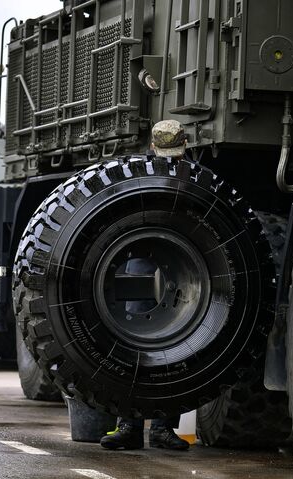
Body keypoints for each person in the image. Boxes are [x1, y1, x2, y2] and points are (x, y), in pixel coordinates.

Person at [100, 119, 190, 453]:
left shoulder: (193, 176)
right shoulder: (134, 173)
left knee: (178, 348)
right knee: (132, 347)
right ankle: (129, 425)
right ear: (152, 147)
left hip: (179, 267)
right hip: (140, 264)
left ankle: (163, 428)